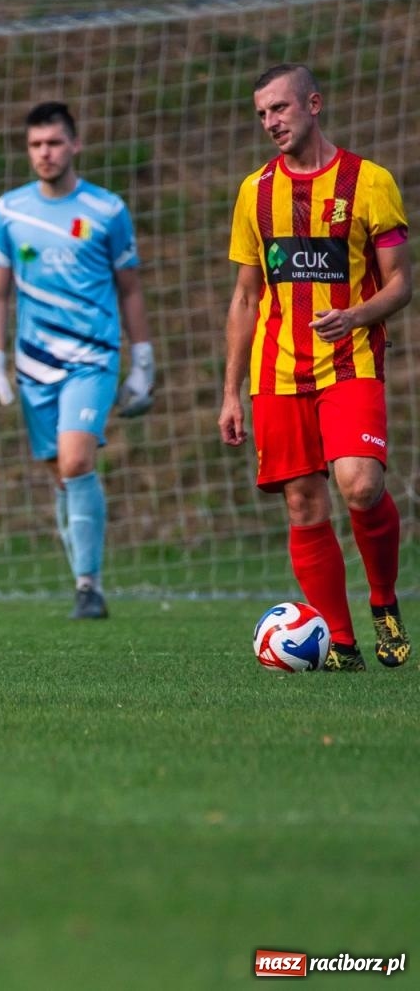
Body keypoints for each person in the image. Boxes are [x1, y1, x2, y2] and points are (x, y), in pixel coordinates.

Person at [220, 64, 412, 672]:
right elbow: (248, 296)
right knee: (304, 506)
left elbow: (402, 283)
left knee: (361, 484)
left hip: (350, 363)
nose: (270, 123)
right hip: (277, 372)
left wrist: (357, 315)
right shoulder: (255, 192)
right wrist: (231, 390)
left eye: (279, 109)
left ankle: (383, 601)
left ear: (314, 104)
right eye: (261, 114)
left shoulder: (369, 181)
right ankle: (342, 645)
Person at [0, 101, 154, 621]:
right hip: (34, 364)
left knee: (78, 461)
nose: (45, 153)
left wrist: (142, 359)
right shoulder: (9, 211)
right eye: (35, 145)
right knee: (61, 476)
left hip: (92, 357)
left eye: (54, 143)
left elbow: (131, 289)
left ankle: (88, 586)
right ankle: (82, 578)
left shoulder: (107, 210)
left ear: (74, 145)